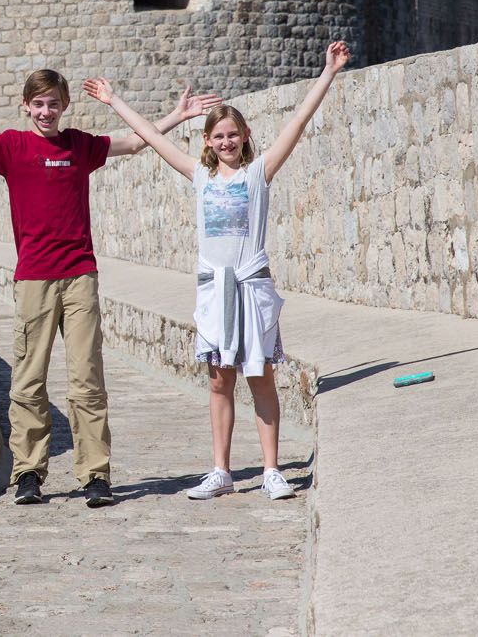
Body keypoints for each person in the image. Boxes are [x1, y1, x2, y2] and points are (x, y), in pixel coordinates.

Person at [0, 75, 221, 507]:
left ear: (65, 106)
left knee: (86, 379)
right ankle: (29, 472)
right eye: (38, 104)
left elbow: (132, 143)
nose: (45, 112)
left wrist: (177, 116)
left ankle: (95, 473)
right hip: (33, 278)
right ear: (25, 106)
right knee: (28, 380)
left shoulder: (79, 146)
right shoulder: (12, 146)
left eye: (53, 104)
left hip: (79, 276)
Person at [83, 41, 351, 501]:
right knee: (218, 379)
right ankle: (221, 471)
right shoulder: (199, 175)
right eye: (218, 136)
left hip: (252, 286)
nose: (226, 142)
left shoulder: (258, 173)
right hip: (214, 292)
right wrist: (114, 101)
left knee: (260, 376)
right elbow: (150, 135)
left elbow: (298, 122)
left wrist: (327, 73)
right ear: (207, 141)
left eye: (233, 134)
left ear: (245, 135)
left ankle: (270, 470)